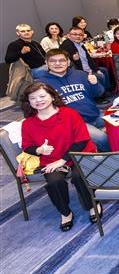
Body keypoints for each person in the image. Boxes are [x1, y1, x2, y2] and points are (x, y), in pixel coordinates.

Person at [20, 82, 98, 231]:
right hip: (51, 160)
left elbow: (81, 140)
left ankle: (92, 205)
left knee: (78, 176)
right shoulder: (28, 124)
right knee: (55, 182)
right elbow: (26, 147)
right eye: (33, 98)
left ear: (52, 96)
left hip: (78, 154)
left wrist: (62, 160)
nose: (38, 100)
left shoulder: (69, 113)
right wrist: (39, 150)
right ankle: (65, 213)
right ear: (28, 102)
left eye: (42, 96)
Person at [39, 49, 109, 151]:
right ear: (46, 63)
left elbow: (98, 93)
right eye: (53, 61)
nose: (58, 64)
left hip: (95, 114)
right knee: (103, 139)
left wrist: (95, 84)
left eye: (62, 60)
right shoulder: (42, 84)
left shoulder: (80, 74)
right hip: (75, 124)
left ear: (68, 62)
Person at [60, 27, 111, 93]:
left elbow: (89, 59)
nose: (78, 36)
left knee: (104, 70)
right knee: (100, 76)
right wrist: (72, 58)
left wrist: (96, 70)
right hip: (80, 71)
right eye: (75, 34)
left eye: (81, 35)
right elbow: (63, 57)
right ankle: (99, 95)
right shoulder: (67, 45)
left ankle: (106, 91)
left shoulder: (80, 44)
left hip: (88, 68)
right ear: (68, 36)